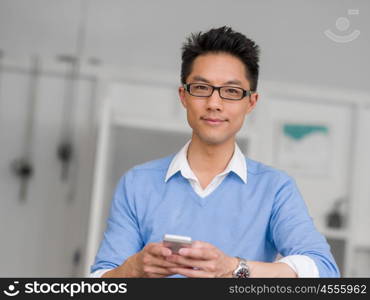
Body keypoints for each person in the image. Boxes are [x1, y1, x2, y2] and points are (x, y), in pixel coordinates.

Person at [90, 26, 339, 278]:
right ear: (183, 96)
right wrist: (132, 269)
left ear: (250, 103)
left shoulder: (275, 189)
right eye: (201, 88)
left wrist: (234, 268)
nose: (214, 103)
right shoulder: (137, 183)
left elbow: (324, 270)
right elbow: (98, 281)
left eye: (231, 91)